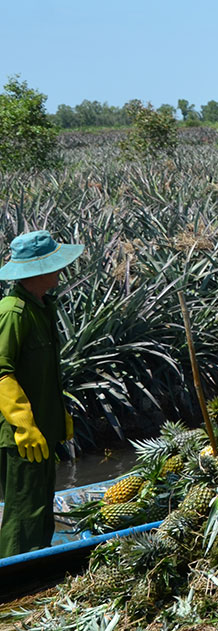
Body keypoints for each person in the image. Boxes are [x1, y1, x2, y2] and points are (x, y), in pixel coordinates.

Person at [0, 230, 81, 558]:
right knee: (23, 513)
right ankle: (14, 575)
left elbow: (45, 372)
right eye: (54, 264)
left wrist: (57, 413)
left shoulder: (42, 306)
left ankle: (39, 563)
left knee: (40, 505)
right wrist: (24, 424)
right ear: (37, 270)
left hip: (44, 429)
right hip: (24, 437)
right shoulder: (13, 312)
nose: (60, 270)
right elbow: (1, 371)